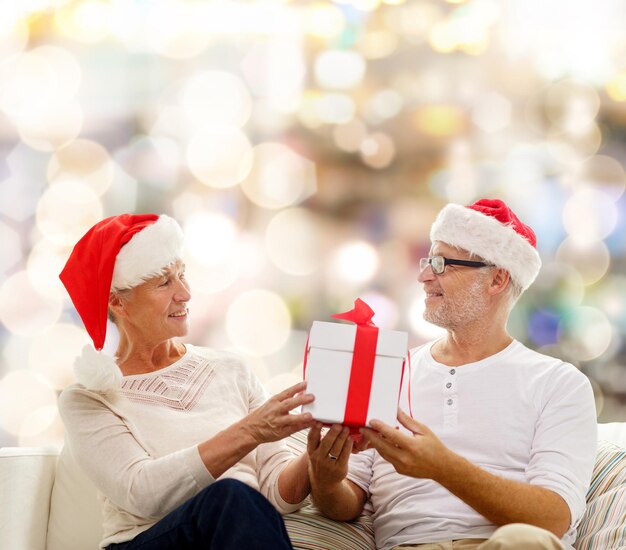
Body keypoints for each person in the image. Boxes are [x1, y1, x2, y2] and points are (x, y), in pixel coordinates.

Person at [307, 198, 597, 550]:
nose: (424, 275)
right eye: (428, 260)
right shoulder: (390, 370)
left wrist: (442, 467)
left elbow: (552, 519)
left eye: (442, 263)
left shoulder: (558, 383)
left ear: (497, 280)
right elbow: (346, 501)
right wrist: (326, 483)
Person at [57, 213, 315, 550]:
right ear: (118, 301)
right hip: (146, 542)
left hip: (233, 534)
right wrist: (248, 432)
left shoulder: (231, 368)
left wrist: (316, 456)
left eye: (182, 275)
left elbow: (278, 495)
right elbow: (141, 492)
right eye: (164, 283)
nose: (185, 293)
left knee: (236, 503)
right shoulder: (89, 398)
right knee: (230, 497)